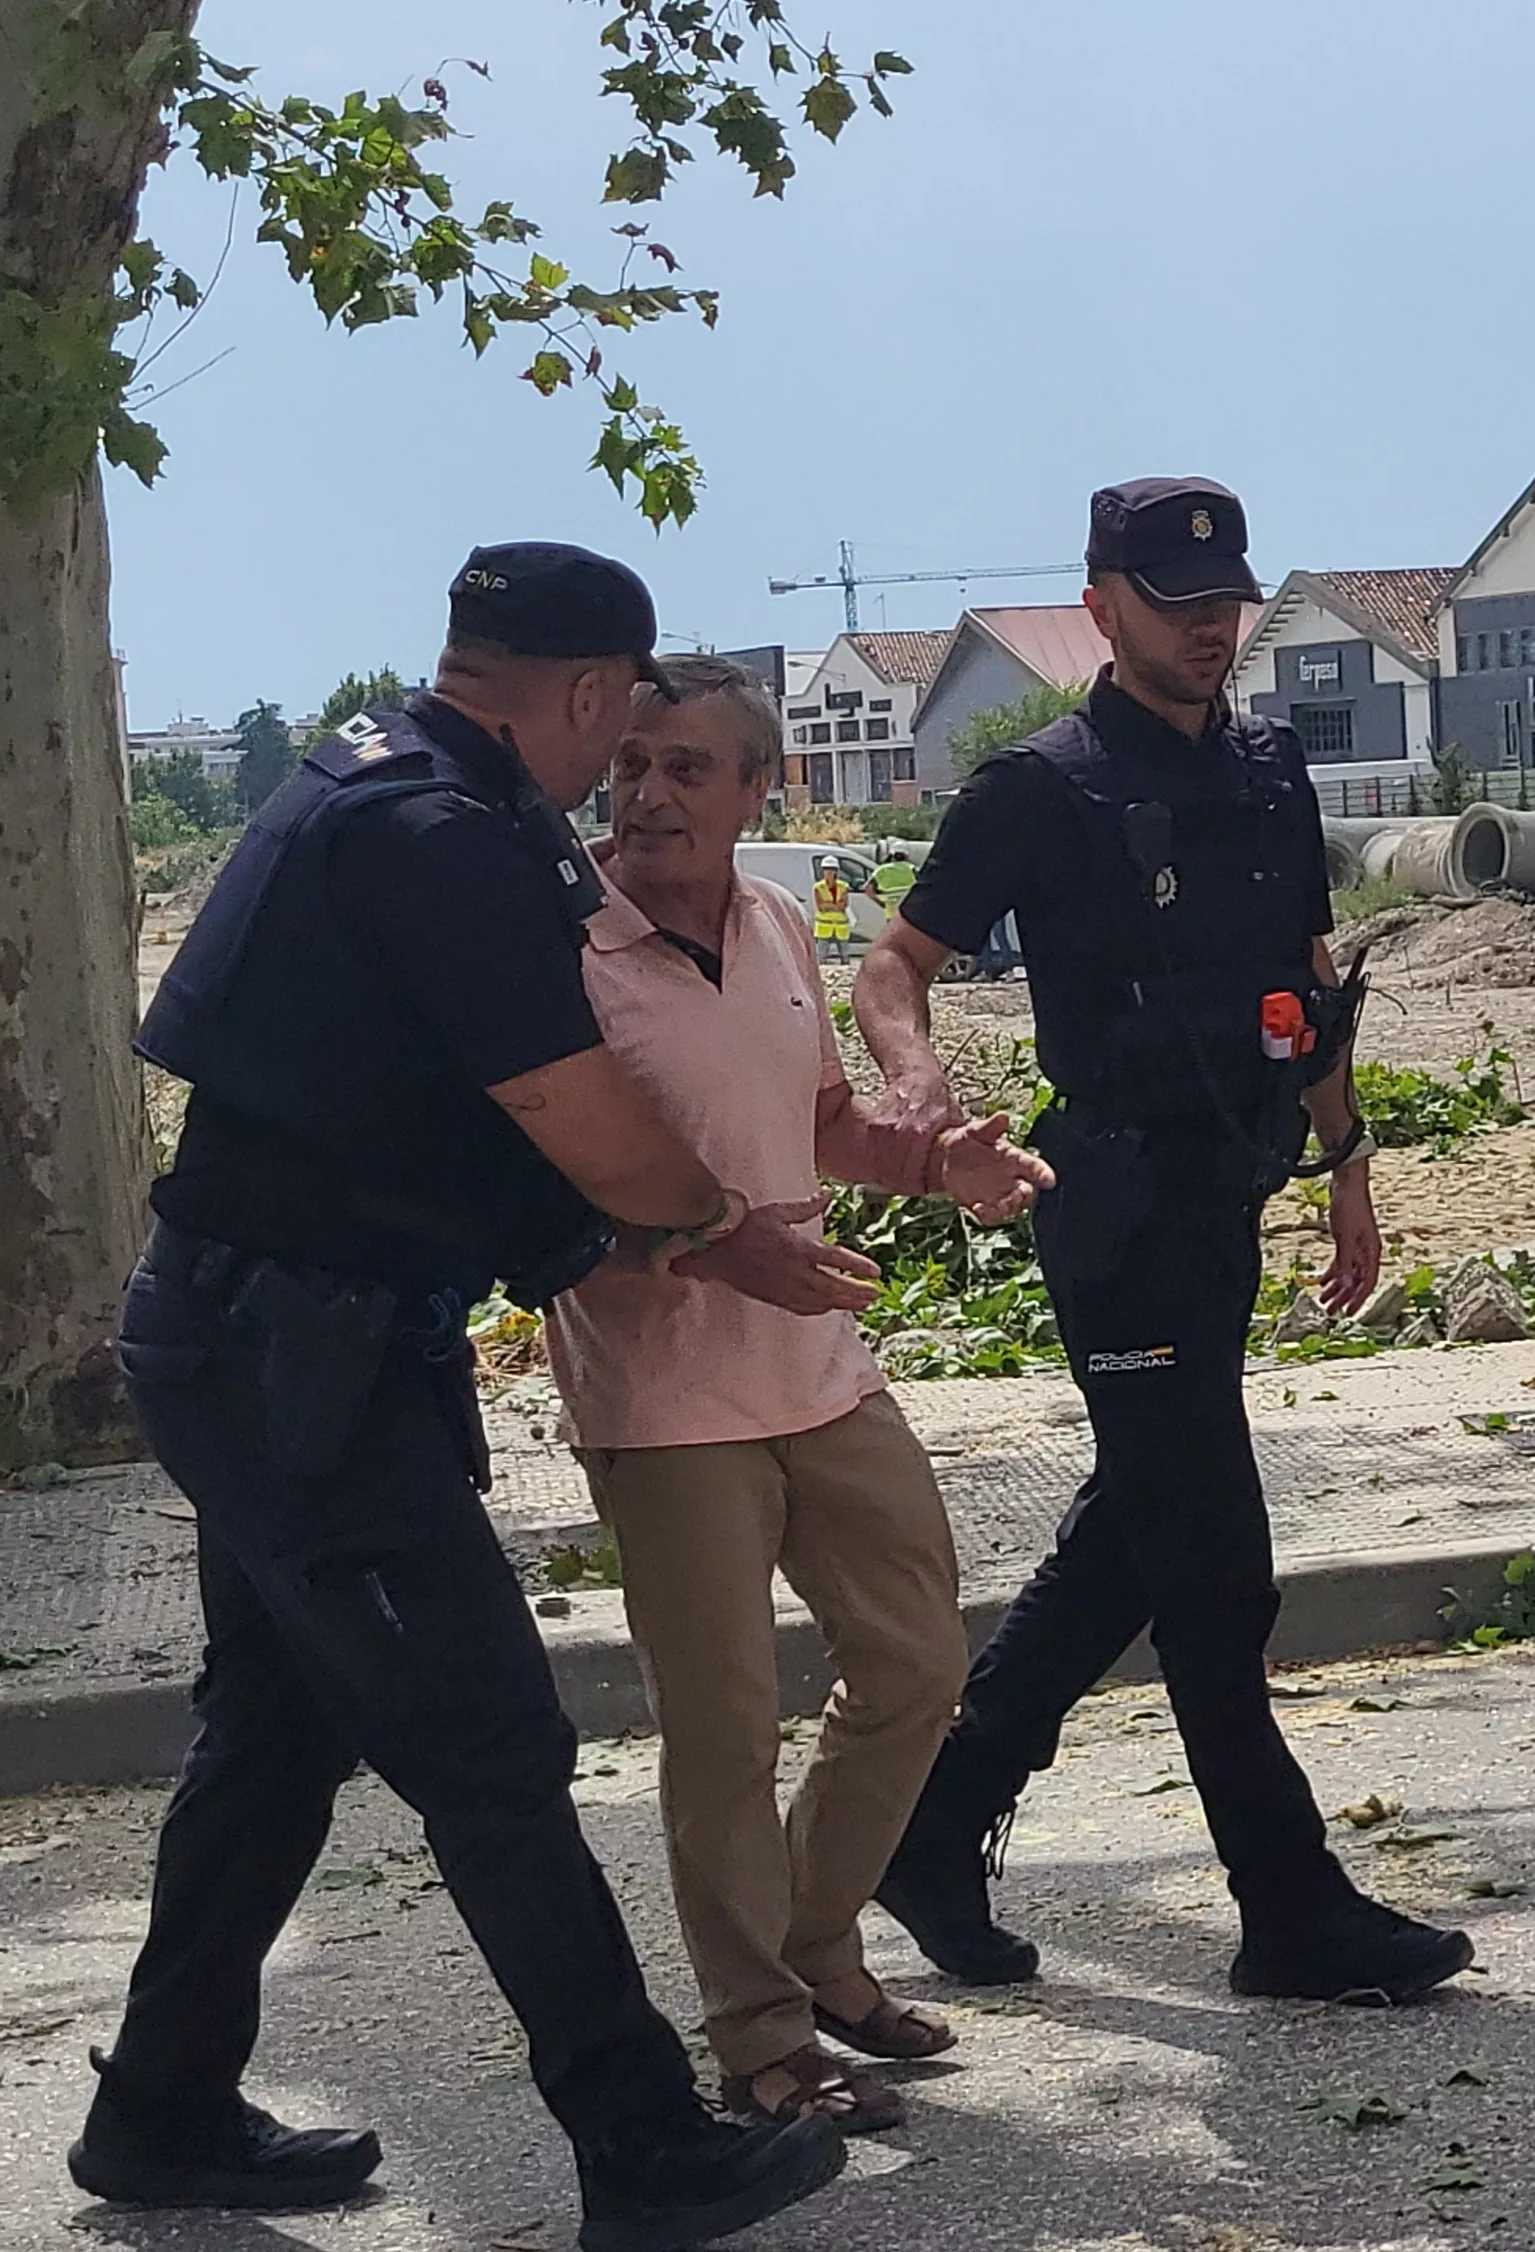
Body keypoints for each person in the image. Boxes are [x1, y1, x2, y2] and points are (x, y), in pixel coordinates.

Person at [84, 545, 858, 2251]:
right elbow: (576, 1120)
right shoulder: (435, 836)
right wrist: (727, 1227)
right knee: (495, 1747)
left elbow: (464, 1125)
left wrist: (639, 1227)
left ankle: (157, 2105)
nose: (620, 766)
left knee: (279, 1734)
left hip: (286, 1339)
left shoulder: (392, 782)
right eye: (623, 723)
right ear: (585, 689)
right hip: (296, 1361)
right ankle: (644, 2144)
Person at [848, 477, 1475, 2005]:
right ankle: (1291, 1906)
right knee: (1213, 1563)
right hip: (1113, 1215)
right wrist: (926, 1104)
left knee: (1142, 1523)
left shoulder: (1271, 770)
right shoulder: (1037, 788)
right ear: (1104, 602)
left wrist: (1347, 1160)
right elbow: (893, 965)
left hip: (1230, 1201)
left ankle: (931, 1821)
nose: (1212, 627)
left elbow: (1307, 979)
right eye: (1177, 601)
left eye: (1227, 602)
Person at [548, 655, 1049, 2132]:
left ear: (761, 790)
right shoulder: (561, 943)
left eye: (687, 769)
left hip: (817, 1365)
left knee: (915, 1663)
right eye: (632, 765)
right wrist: (712, 1245)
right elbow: (551, 1173)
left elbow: (824, 1123)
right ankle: (760, 2033)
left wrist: (935, 1161)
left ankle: (820, 1941)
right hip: (662, 1394)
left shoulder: (771, 918)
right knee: (725, 1732)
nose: (646, 794)